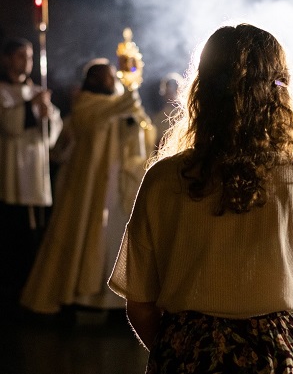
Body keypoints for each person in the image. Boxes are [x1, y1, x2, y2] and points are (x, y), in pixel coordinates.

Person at [108, 23, 293, 374]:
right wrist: (289, 356)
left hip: (188, 357)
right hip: (280, 360)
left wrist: (185, 350)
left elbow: (140, 304)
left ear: (201, 91)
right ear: (280, 93)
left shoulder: (163, 179)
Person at [21, 59, 152, 316]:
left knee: (113, 241)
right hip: (88, 185)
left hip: (116, 184)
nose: (112, 80)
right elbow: (118, 108)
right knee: (80, 237)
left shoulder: (117, 104)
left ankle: (115, 304)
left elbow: (142, 127)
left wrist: (133, 124)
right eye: (107, 76)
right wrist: (131, 84)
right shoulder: (85, 103)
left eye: (113, 75)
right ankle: (75, 298)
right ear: (92, 80)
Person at [0, 38, 62, 322]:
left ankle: (33, 293)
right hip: (11, 172)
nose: (26, 61)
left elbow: (50, 137)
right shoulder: (3, 91)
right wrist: (30, 106)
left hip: (36, 174)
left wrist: (47, 115)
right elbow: (9, 124)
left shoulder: (38, 91)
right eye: (20, 56)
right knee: (13, 236)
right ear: (7, 59)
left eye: (29, 56)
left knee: (35, 234)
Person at [152, 72, 183, 147]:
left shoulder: (184, 114)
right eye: (167, 92)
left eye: (170, 92)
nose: (168, 95)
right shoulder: (159, 116)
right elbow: (157, 141)